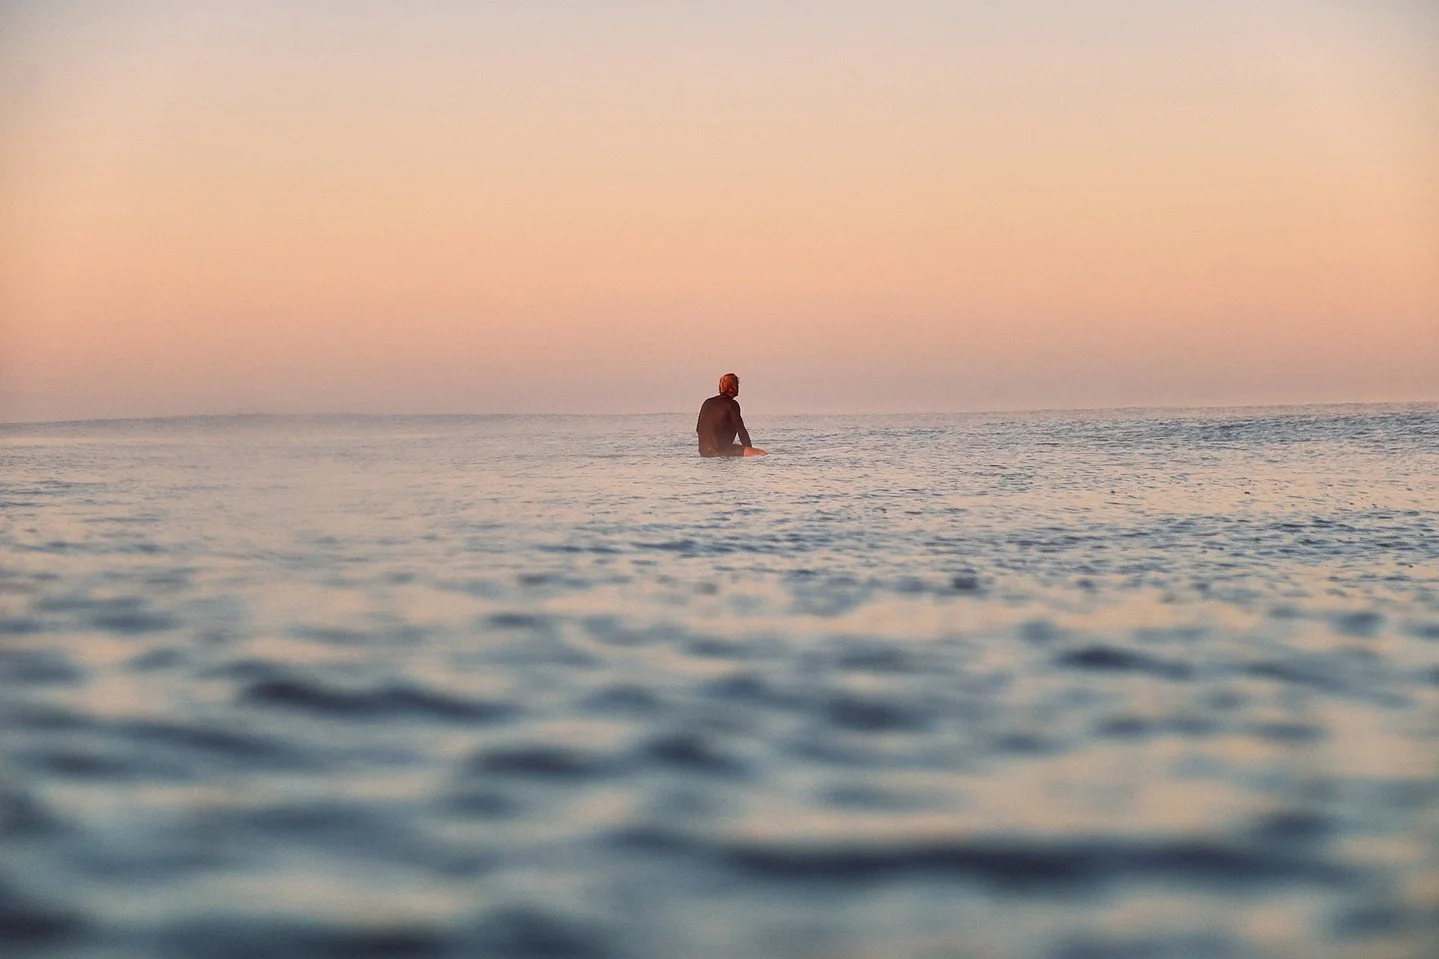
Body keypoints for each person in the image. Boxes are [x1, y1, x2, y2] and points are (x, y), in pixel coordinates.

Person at [696, 373, 766, 457]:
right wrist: (749, 452)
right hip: (721, 449)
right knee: (761, 453)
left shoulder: (707, 402)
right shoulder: (732, 404)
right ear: (734, 387)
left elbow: (698, 428)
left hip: (703, 451)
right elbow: (741, 430)